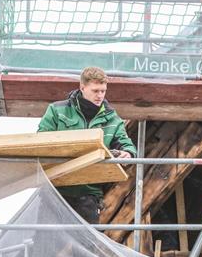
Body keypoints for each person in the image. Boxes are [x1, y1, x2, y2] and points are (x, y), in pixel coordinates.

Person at [38, 66, 136, 223]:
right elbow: (41, 142)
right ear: (82, 87)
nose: (100, 95)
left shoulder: (112, 119)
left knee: (85, 245)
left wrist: (128, 153)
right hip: (55, 190)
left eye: (103, 91)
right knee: (47, 243)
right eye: (95, 91)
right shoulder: (57, 111)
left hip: (89, 193)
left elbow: (126, 144)